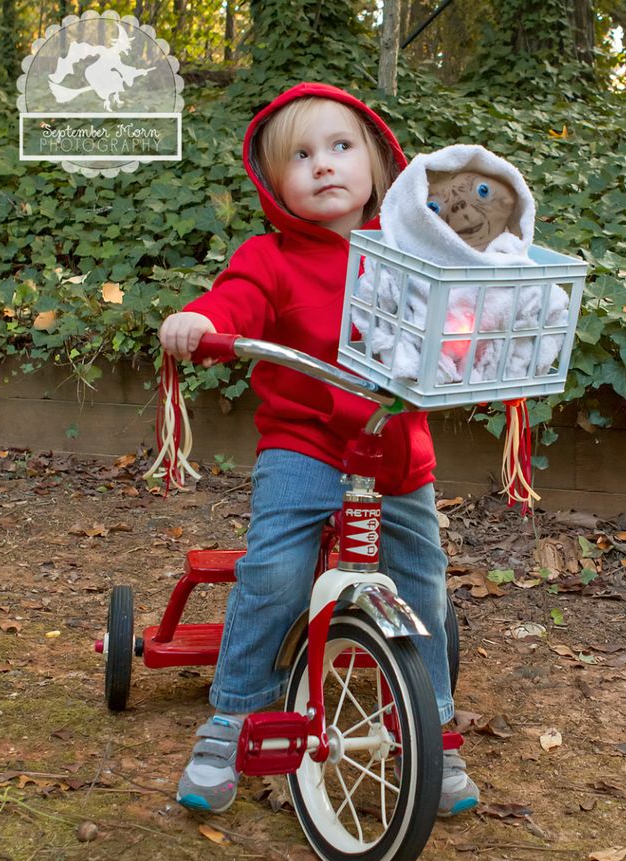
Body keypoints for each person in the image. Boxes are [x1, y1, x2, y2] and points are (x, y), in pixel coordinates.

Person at [159, 82, 480, 818]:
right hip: (304, 442)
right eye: (300, 157)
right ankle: (234, 714)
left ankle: (429, 725)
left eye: (341, 148)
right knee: (273, 567)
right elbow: (235, 300)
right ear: (275, 184)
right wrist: (201, 319)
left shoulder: (409, 252)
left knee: (422, 581)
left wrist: (474, 332)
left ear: (376, 163)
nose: (323, 166)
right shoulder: (270, 256)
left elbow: (462, 307)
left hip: (394, 446)